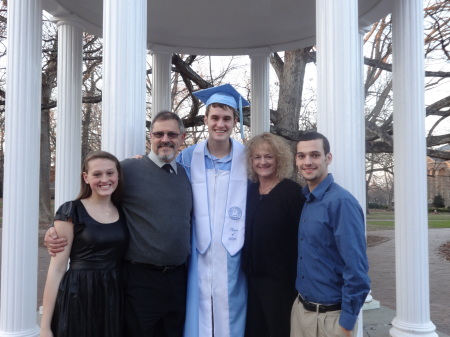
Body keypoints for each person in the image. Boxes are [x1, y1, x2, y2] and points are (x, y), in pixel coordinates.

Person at [45, 111, 193, 337]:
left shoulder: (185, 173)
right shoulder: (128, 170)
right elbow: (95, 199)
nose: (165, 139)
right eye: (159, 133)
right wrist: (55, 229)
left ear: (182, 137)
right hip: (140, 278)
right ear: (150, 137)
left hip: (179, 278)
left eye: (172, 134)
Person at [177, 84, 249, 337]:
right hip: (198, 251)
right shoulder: (186, 158)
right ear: (205, 119)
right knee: (199, 309)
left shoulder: (249, 160)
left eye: (227, 119)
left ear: (235, 121)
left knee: (233, 308)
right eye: (215, 118)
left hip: (235, 253)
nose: (220, 124)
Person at [40, 151, 128, 337]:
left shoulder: (124, 209)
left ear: (118, 175)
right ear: (86, 178)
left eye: (110, 173)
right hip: (79, 294)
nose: (105, 179)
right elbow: (56, 269)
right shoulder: (71, 211)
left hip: (114, 293)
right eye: (97, 174)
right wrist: (45, 327)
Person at [291, 131, 370, 337]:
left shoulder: (341, 203)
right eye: (301, 156)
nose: (307, 161)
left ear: (328, 158)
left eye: (315, 155)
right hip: (301, 312)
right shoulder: (307, 200)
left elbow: (357, 269)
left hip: (330, 320)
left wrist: (346, 323)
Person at [242, 132, 305, 337]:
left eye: (268, 156)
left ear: (279, 159)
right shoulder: (249, 191)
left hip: (281, 284)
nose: (262, 162)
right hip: (252, 282)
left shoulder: (292, 193)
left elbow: (303, 239)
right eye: (257, 157)